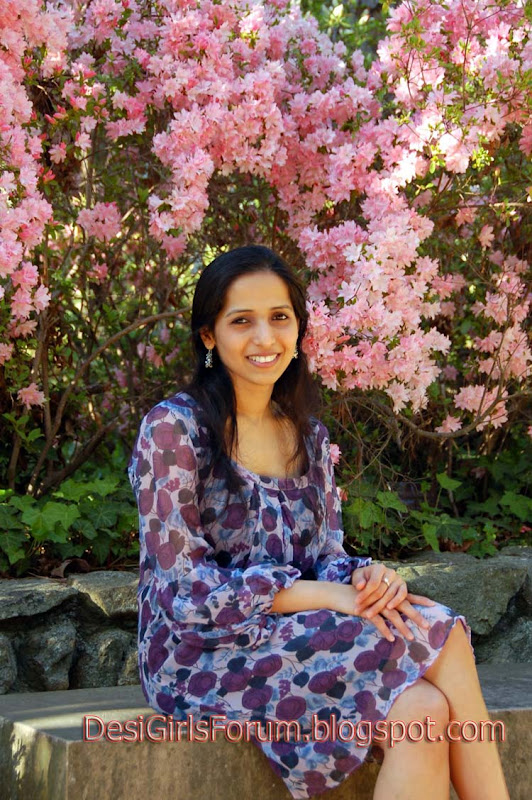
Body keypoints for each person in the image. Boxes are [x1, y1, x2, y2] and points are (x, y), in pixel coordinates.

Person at [128, 245, 510, 800]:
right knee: (444, 632)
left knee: (423, 707)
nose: (265, 338)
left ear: (298, 328)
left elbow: (327, 555)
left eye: (280, 318)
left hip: (292, 632)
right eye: (242, 321)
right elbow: (184, 595)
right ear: (209, 336)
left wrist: (363, 579)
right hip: (198, 653)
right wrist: (326, 596)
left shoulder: (307, 435)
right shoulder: (174, 429)